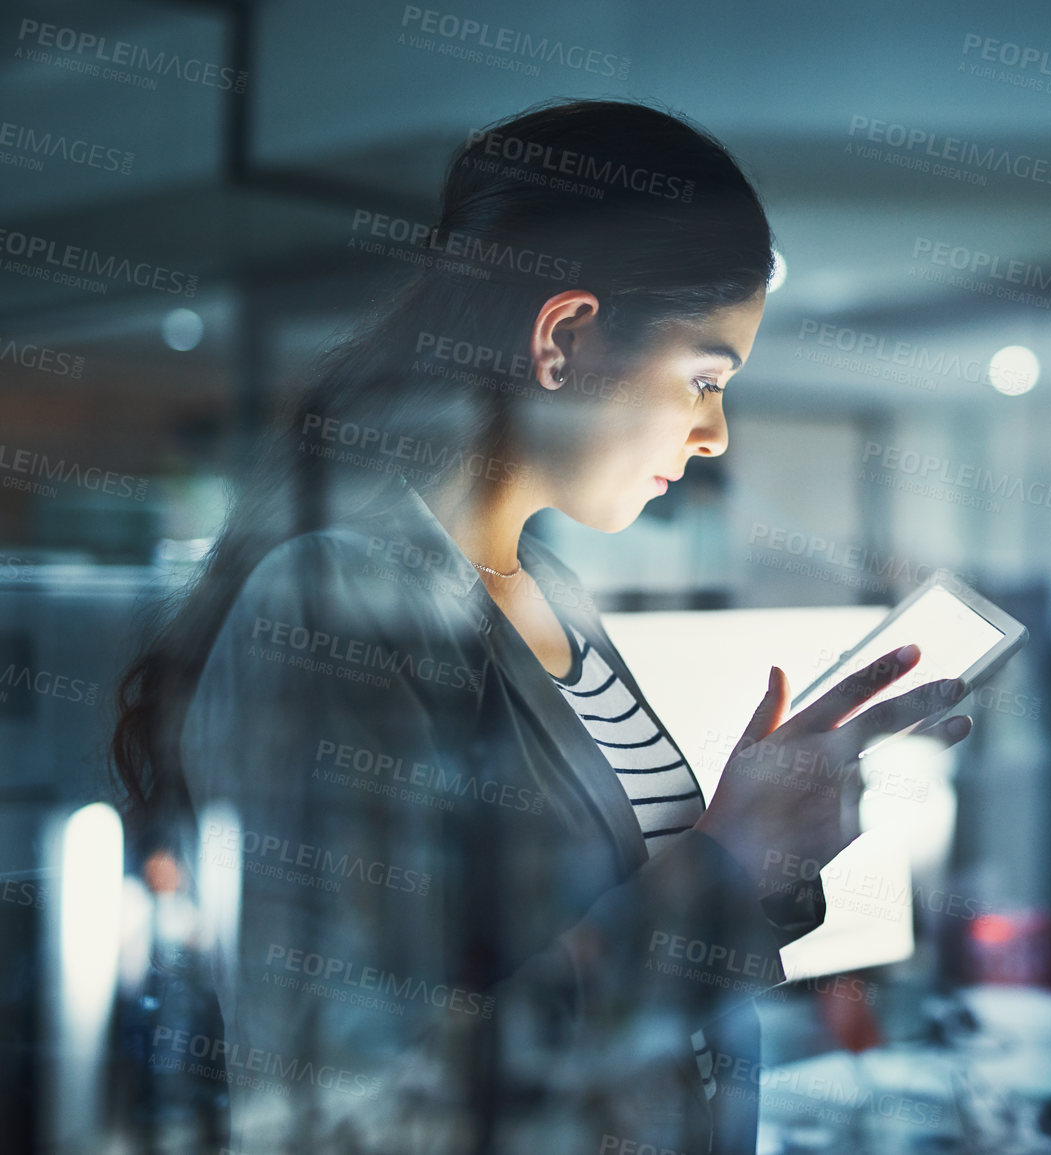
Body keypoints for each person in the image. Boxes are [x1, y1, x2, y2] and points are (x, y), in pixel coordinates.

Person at [110, 98, 973, 1154]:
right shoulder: (336, 604)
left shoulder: (547, 589)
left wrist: (769, 837)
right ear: (563, 336)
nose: (714, 435)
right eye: (704, 378)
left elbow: (630, 958)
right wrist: (720, 864)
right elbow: (354, 1107)